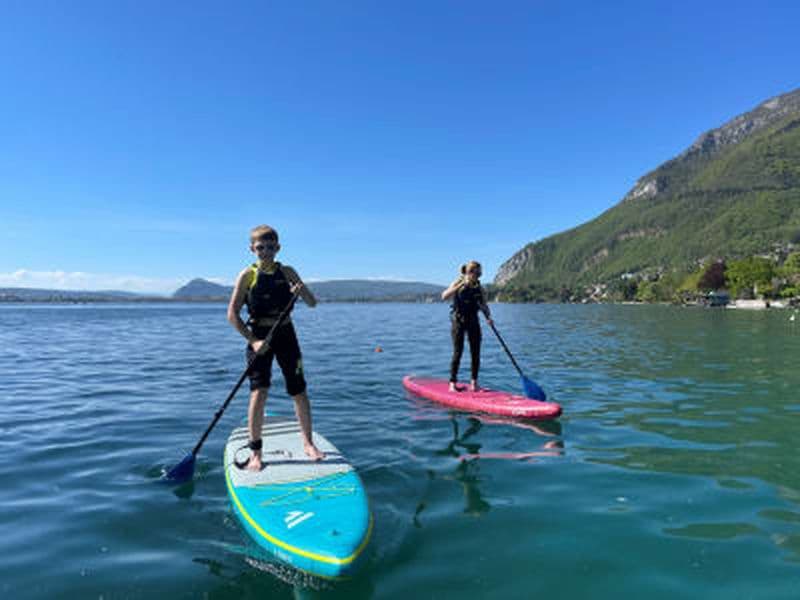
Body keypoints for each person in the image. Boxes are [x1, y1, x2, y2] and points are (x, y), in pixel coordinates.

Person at [227, 224, 325, 471]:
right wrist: (253, 341)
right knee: (259, 392)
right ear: (252, 249)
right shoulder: (247, 275)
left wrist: (302, 291)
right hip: (259, 336)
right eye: (261, 247)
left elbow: (312, 303)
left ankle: (308, 444)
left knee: (298, 390)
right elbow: (232, 315)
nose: (266, 252)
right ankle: (256, 453)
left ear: (278, 248)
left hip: (286, 335)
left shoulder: (287, 272)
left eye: (271, 247)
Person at [441, 261, 493, 392]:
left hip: (473, 320)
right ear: (470, 272)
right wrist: (460, 285)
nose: (479, 276)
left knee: (476, 352)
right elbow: (444, 296)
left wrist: (488, 317)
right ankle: (452, 383)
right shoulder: (458, 282)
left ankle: (474, 383)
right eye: (477, 273)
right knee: (458, 352)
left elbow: (484, 305)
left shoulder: (479, 288)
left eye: (480, 273)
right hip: (458, 321)